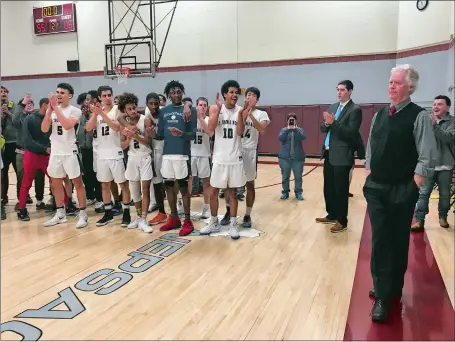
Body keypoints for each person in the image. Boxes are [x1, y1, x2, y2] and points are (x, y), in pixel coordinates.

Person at [363, 64, 438, 322]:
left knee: (397, 240)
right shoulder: (380, 115)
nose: (391, 86)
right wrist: (369, 173)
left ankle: (393, 286)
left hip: (402, 189)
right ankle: (383, 292)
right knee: (381, 239)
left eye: (397, 82)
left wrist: (412, 187)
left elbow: (427, 156)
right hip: (377, 187)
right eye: (390, 81)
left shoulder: (419, 116)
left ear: (410, 87)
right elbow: (370, 148)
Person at [200, 80, 251, 240]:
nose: (234, 95)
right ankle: (214, 222)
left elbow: (240, 132)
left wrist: (243, 114)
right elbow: (210, 128)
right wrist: (218, 109)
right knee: (213, 192)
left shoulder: (240, 110)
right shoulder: (215, 108)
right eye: (231, 92)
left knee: (232, 193)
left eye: (236, 92)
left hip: (235, 157)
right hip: (219, 158)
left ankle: (233, 224)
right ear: (224, 94)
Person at [316, 80, 362, 233]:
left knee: (341, 189)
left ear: (350, 91)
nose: (339, 92)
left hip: (342, 154)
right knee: (328, 187)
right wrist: (327, 124)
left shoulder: (355, 110)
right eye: (337, 89)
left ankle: (342, 220)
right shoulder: (333, 107)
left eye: (342, 90)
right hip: (328, 152)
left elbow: (351, 132)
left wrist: (333, 122)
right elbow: (323, 127)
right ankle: (332, 214)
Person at [41, 83, 88, 229]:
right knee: (55, 183)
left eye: (62, 92)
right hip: (56, 151)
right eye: (57, 92)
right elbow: (44, 129)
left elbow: (67, 125)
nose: (59, 94)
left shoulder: (75, 111)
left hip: (70, 151)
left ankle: (83, 214)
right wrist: (49, 111)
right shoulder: (53, 110)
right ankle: (60, 213)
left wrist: (55, 108)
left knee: (77, 182)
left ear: (70, 95)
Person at [85, 86, 131, 227]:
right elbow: (88, 128)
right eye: (104, 95)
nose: (107, 98)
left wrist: (102, 114)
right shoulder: (97, 112)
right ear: (100, 97)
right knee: (104, 185)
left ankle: (127, 213)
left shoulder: (117, 109)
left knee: (122, 184)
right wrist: (95, 114)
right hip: (102, 154)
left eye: (109, 95)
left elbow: (116, 127)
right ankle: (108, 213)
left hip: (115, 152)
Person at [155, 81, 197, 236]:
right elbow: (159, 135)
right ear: (168, 95)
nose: (176, 95)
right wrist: (151, 132)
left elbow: (193, 135)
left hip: (182, 154)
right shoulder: (164, 111)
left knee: (184, 188)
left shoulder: (190, 110)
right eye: (173, 92)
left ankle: (187, 221)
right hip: (167, 155)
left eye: (179, 92)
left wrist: (180, 133)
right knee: (169, 187)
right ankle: (174, 218)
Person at [412, 95, 454, 232]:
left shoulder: (452, 122)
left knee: (445, 194)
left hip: (445, 165)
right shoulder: (426, 120)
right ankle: (419, 220)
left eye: (440, 104)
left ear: (447, 107)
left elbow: (447, 138)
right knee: (423, 193)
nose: (436, 107)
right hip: (428, 164)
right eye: (434, 104)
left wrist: (435, 126)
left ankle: (443, 217)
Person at [118, 92, 154, 233]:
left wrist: (134, 135)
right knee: (135, 192)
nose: (133, 111)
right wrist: (127, 138)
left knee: (145, 189)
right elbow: (123, 146)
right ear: (125, 110)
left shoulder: (145, 120)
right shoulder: (124, 122)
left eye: (134, 107)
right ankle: (138, 217)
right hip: (132, 158)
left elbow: (147, 142)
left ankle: (144, 219)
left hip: (145, 157)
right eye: (129, 109)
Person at [238, 87, 270, 227]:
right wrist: (245, 112)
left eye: (252, 95)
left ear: (257, 99)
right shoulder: (239, 110)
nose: (249, 97)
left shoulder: (262, 114)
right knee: (230, 185)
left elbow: (262, 130)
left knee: (250, 184)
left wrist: (251, 115)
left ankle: (247, 215)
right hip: (237, 150)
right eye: (248, 95)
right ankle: (229, 212)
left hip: (250, 151)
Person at [17, 98, 52, 221]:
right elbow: (27, 140)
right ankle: (22, 209)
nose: (53, 108)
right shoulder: (30, 118)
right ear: (44, 105)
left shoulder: (51, 118)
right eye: (51, 106)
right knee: (26, 183)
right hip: (32, 155)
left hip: (47, 155)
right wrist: (44, 149)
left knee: (56, 181)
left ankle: (63, 205)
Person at [13, 95, 45, 210]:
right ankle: (21, 201)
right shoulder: (19, 118)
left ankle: (40, 200)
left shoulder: (38, 116)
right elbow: (15, 120)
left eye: (31, 103)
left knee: (40, 177)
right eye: (26, 103)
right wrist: (21, 105)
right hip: (22, 152)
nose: (29, 104)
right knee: (22, 177)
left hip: (39, 152)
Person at [189, 97, 213, 218]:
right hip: (191, 153)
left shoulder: (209, 120)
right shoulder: (190, 120)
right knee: (188, 180)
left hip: (204, 154)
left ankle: (206, 207)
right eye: (200, 105)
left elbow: (209, 132)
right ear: (196, 107)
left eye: (205, 105)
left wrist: (200, 118)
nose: (203, 107)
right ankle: (184, 204)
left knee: (206, 182)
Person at [277, 113, 307, 200]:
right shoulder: (283, 130)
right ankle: (285, 192)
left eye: (293, 120)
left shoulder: (300, 130)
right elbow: (280, 138)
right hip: (285, 158)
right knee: (285, 177)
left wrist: (295, 129)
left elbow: (303, 137)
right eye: (289, 119)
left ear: (295, 121)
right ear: (287, 121)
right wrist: (288, 129)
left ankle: (298, 193)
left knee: (298, 177)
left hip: (298, 158)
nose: (291, 121)